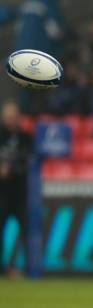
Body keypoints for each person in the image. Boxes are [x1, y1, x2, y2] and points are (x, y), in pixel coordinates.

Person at [0, 101, 33, 277]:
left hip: (21, 192)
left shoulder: (26, 137)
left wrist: (11, 168)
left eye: (14, 116)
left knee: (28, 230)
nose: (11, 119)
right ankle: (2, 269)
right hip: (2, 193)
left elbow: (31, 160)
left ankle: (31, 268)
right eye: (8, 116)